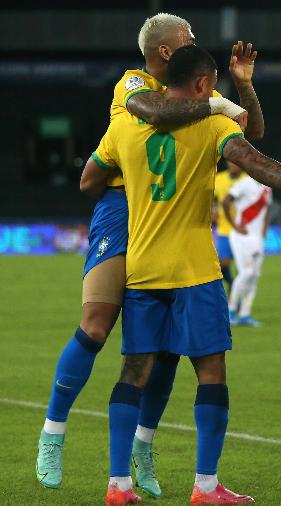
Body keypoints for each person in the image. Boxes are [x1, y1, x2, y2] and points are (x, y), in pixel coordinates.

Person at [92, 45, 281, 506]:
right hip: (194, 271)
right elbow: (258, 161)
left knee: (133, 371)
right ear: (201, 85)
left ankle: (118, 486)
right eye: (213, 84)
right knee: (211, 374)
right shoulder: (210, 123)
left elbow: (89, 179)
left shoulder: (121, 125)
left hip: (142, 270)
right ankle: (206, 487)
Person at [36, 12, 264, 495]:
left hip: (169, 210)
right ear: (166, 51)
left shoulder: (188, 94)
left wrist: (237, 93)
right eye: (189, 39)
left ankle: (142, 445)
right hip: (123, 207)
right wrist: (216, 102)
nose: (195, 43)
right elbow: (158, 117)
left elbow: (250, 133)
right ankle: (53, 432)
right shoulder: (134, 84)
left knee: (160, 347)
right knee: (96, 325)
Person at [223, 165, 271, 327]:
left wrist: (263, 232)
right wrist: (234, 225)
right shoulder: (244, 183)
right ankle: (230, 310)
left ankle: (245, 314)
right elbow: (225, 201)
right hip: (241, 236)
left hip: (256, 239)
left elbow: (267, 211)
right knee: (246, 273)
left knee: (254, 276)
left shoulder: (267, 188)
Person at [213, 162, 246, 294]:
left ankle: (237, 297)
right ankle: (231, 283)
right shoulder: (219, 179)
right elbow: (213, 199)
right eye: (229, 162)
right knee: (223, 264)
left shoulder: (247, 180)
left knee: (242, 268)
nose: (231, 165)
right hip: (224, 229)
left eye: (234, 162)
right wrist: (214, 211)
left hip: (242, 231)